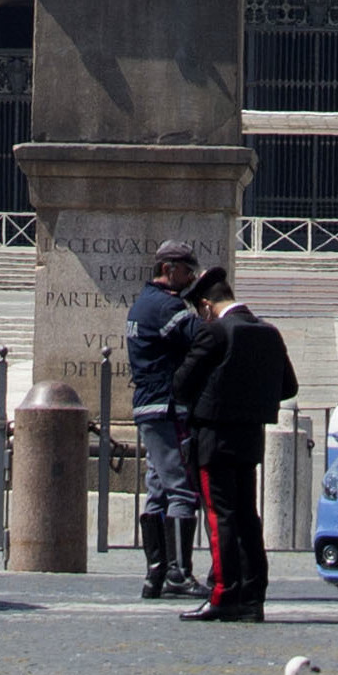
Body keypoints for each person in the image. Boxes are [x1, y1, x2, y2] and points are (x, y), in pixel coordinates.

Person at [172, 264, 301, 623]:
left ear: (206, 305)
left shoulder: (215, 333)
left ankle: (223, 594)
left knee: (220, 518)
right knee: (247, 517)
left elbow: (181, 385)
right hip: (249, 437)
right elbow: (288, 387)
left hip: (214, 438)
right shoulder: (268, 333)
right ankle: (252, 595)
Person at [126, 245, 207, 601]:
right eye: (188, 271)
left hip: (148, 406)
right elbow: (203, 338)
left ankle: (155, 573)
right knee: (182, 489)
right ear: (169, 269)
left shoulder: (142, 303)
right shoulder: (166, 307)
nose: (192, 279)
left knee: (157, 490)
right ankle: (178, 572)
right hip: (167, 406)